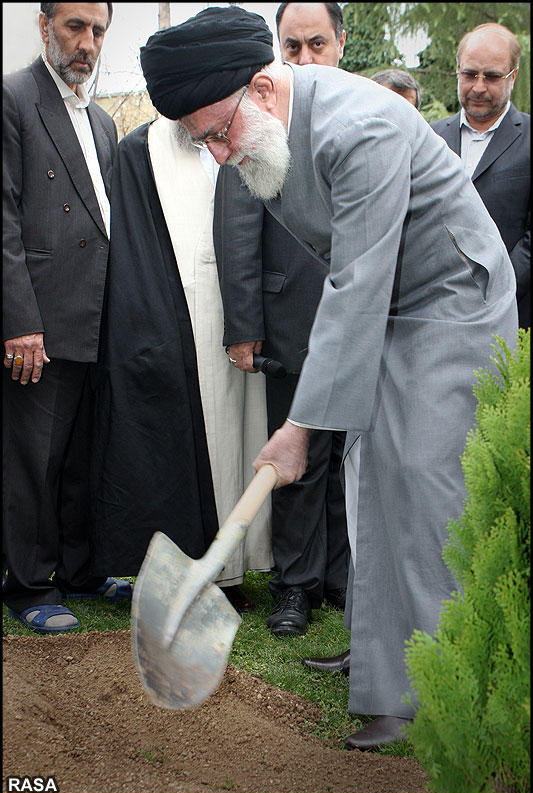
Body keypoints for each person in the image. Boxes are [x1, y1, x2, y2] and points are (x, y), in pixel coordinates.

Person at [139, 6, 519, 750]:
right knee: (369, 479)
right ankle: (383, 659)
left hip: (449, 306)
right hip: (387, 303)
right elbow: (353, 283)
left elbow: (356, 282)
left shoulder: (359, 126)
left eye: (219, 132)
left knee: (423, 486)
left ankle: (429, 693)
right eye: (201, 140)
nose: (217, 154)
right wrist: (313, 416)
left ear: (262, 88)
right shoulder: (267, 134)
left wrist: (296, 426)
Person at [88, 35, 273, 610]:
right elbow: (133, 249)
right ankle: (198, 567)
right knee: (195, 441)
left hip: (253, 316)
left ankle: (241, 568)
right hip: (179, 325)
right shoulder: (141, 152)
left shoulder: (260, 133)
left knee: (250, 438)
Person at [213, 2, 350, 636]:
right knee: (296, 453)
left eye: (315, 43)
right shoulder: (255, 118)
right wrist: (244, 324)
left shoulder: (357, 115)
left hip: (358, 316)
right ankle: (295, 585)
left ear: (340, 44)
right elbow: (237, 227)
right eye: (290, 45)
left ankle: (342, 577)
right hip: (288, 316)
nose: (303, 56)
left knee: (349, 454)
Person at [2, 3, 132, 635]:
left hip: (97, 312)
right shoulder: (12, 97)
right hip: (39, 320)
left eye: (98, 31)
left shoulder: (104, 122)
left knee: (84, 452)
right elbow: (2, 221)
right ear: (44, 22)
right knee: (34, 457)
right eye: (75, 26)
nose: (87, 43)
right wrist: (20, 321)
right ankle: (28, 583)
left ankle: (80, 572)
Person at [431, 23, 530, 329]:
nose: (478, 87)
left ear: (512, 76)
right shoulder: (429, 137)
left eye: (492, 76)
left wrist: (495, 291)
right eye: (470, 74)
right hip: (436, 313)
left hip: (511, 315)